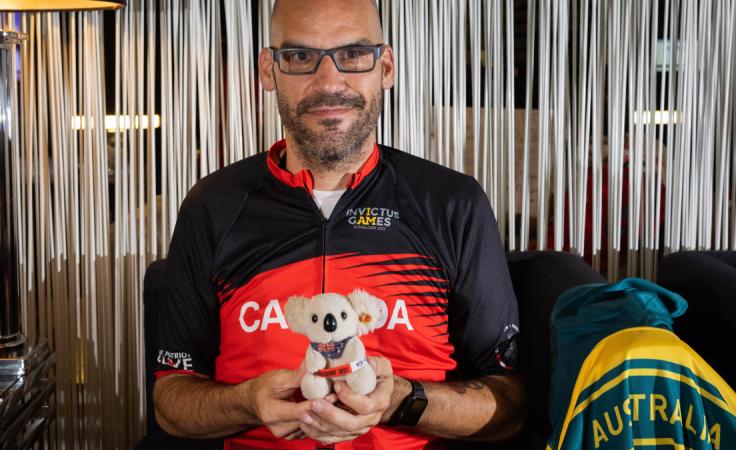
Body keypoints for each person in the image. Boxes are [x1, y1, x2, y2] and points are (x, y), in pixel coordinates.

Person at [151, 0, 525, 448]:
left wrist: (401, 400)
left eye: (353, 54)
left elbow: (508, 404)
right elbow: (171, 401)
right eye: (300, 56)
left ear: (386, 67)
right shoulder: (213, 206)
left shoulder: (451, 203)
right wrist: (247, 403)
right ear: (268, 70)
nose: (329, 82)